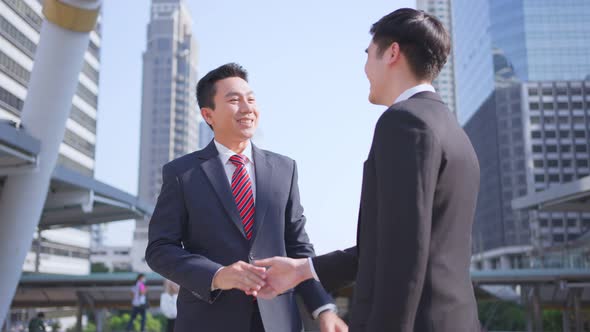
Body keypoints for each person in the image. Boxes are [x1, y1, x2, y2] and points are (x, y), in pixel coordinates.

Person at [255, 8, 481, 332]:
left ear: (392, 53)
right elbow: (393, 243)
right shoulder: (454, 132)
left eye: (368, 54)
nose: (364, 68)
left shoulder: (404, 122)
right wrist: (302, 270)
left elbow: (404, 256)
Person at [145, 63, 346, 332]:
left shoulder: (284, 170)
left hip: (278, 321)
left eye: (250, 99)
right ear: (208, 114)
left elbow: (298, 248)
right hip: (208, 321)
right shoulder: (182, 174)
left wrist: (323, 308)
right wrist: (217, 275)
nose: (247, 107)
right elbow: (160, 249)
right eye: (234, 100)